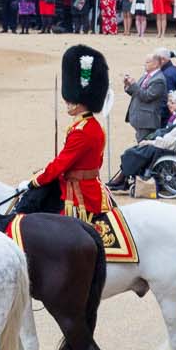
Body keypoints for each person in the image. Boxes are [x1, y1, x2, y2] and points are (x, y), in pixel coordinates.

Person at [34, 44, 110, 220]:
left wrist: (38, 179)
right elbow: (96, 162)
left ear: (79, 101)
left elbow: (62, 163)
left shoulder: (81, 131)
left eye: (69, 101)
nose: (67, 103)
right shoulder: (93, 126)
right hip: (91, 185)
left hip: (79, 192)